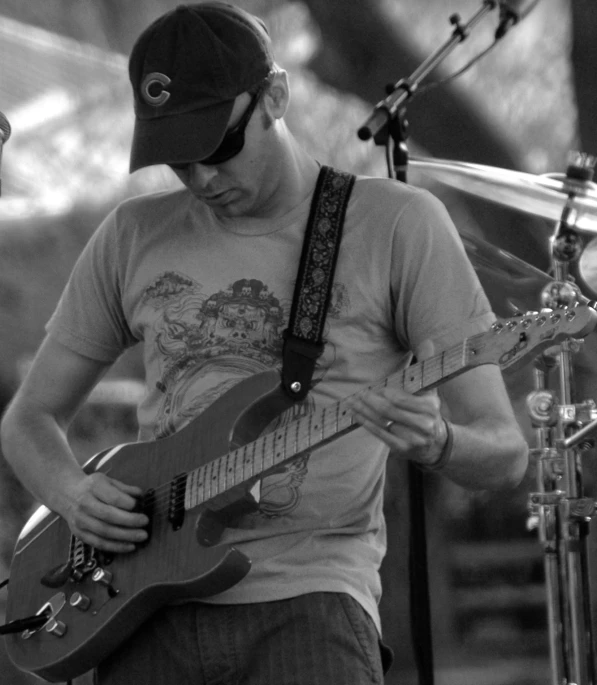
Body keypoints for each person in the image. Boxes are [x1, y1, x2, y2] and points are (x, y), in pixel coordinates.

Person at [0, 3, 528, 684]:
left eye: (218, 148)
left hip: (310, 603)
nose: (202, 178)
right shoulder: (132, 234)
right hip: (136, 607)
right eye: (178, 160)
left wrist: (440, 444)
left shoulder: (396, 225)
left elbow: (505, 452)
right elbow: (28, 420)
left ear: (274, 96)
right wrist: (72, 494)